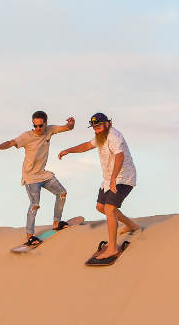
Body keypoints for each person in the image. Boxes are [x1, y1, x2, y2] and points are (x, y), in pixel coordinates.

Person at [58, 112, 139, 261]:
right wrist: (68, 150)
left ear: (107, 124)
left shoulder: (115, 136)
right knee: (101, 207)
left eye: (99, 126)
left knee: (109, 208)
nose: (97, 129)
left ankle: (113, 248)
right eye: (94, 127)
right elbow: (87, 145)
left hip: (123, 178)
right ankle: (131, 225)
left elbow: (120, 156)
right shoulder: (100, 137)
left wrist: (114, 178)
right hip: (109, 179)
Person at [0, 111, 76, 246]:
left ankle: (57, 222)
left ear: (45, 124)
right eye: (35, 126)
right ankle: (29, 236)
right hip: (30, 177)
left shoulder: (50, 130)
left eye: (40, 126)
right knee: (35, 205)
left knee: (62, 193)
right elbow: (11, 142)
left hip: (43, 174)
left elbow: (67, 128)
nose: (38, 129)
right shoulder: (26, 136)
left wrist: (71, 124)